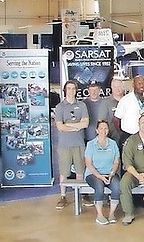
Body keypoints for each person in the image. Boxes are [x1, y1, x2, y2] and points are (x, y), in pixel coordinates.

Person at [55, 80, 89, 210]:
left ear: (76, 90)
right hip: (64, 144)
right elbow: (59, 127)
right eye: (68, 88)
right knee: (64, 171)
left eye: (73, 88)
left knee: (80, 170)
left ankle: (79, 195)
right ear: (65, 91)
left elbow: (85, 123)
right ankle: (63, 196)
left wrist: (68, 125)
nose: (71, 91)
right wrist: (76, 126)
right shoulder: (60, 107)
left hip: (79, 143)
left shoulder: (82, 105)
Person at [84, 120, 121, 225]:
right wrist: (99, 176)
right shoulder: (91, 144)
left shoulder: (113, 144)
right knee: (99, 186)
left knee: (117, 187)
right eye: (101, 128)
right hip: (94, 174)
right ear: (96, 130)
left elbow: (116, 161)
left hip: (110, 174)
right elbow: (88, 164)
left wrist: (112, 173)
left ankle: (111, 214)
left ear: (108, 130)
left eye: (105, 128)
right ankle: (99, 215)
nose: (103, 131)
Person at [114, 75, 144, 147]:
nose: (142, 86)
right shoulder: (125, 100)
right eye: (139, 83)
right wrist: (121, 133)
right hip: (128, 135)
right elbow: (116, 119)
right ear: (133, 85)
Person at [98, 79, 125, 150]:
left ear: (123, 87)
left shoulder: (128, 101)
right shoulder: (105, 102)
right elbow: (101, 121)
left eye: (119, 86)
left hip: (127, 138)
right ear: (111, 88)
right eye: (115, 86)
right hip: (111, 139)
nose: (117, 89)